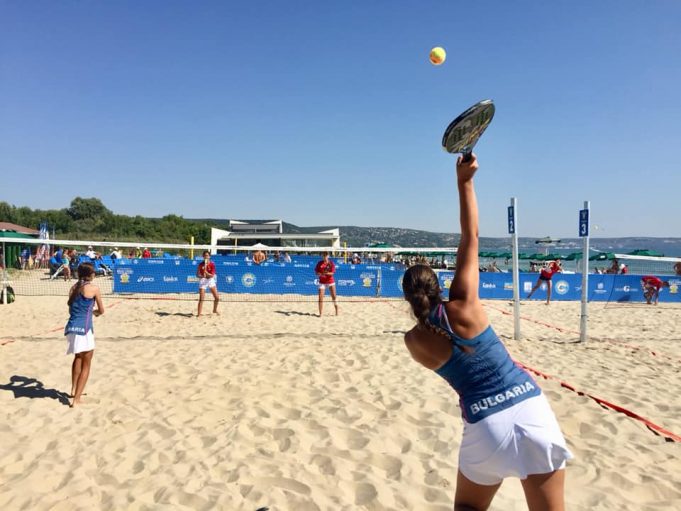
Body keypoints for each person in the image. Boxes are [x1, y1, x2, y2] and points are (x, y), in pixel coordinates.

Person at [402, 154, 571, 511]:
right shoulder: (464, 305)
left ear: (408, 297)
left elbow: (443, 338)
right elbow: (471, 235)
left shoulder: (414, 342)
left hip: (484, 424)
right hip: (528, 406)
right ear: (438, 284)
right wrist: (465, 181)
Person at [64, 263, 104, 407]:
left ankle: (74, 390)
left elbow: (72, 309)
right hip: (85, 329)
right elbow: (101, 310)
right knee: (86, 363)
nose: (95, 274)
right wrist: (94, 313)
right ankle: (76, 400)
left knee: (78, 358)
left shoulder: (73, 288)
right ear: (89, 274)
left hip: (71, 327)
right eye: (94, 272)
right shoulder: (94, 288)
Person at [196, 250, 219, 316]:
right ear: (203, 256)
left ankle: (214, 310)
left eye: (207, 255)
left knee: (217, 297)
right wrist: (202, 275)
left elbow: (212, 275)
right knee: (201, 298)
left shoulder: (212, 264)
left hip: (210, 280)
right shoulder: (200, 264)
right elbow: (197, 274)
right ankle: (199, 314)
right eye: (205, 255)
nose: (206, 257)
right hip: (203, 280)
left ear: (209, 256)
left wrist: (206, 272)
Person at [315, 252, 338, 316]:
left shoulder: (331, 263)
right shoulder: (319, 263)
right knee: (320, 298)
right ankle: (320, 314)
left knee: (334, 297)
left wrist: (325, 273)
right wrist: (319, 273)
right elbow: (316, 272)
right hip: (322, 282)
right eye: (323, 256)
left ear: (328, 256)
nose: (324, 257)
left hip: (330, 282)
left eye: (326, 255)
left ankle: (336, 310)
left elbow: (332, 273)